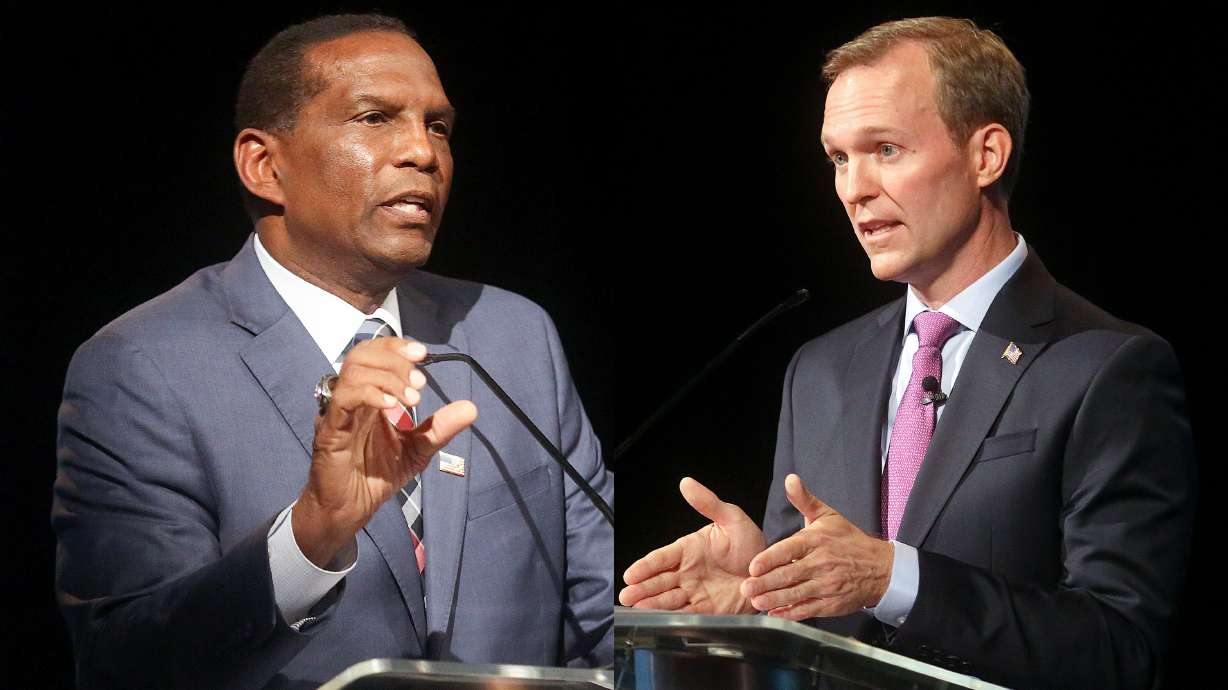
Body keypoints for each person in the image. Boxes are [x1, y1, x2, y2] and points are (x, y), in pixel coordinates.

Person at [619, 17, 1194, 689]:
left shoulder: (1105, 367)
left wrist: (896, 577)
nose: (852, 188)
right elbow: (815, 628)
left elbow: (1119, 651)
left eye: (885, 149)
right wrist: (762, 591)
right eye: (838, 157)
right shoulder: (821, 371)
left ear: (987, 156)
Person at [53, 14, 613, 688]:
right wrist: (311, 536)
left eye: (438, 126)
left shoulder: (514, 335)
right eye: (376, 118)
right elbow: (126, 663)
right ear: (265, 165)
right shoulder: (141, 367)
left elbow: (600, 615)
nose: (423, 153)